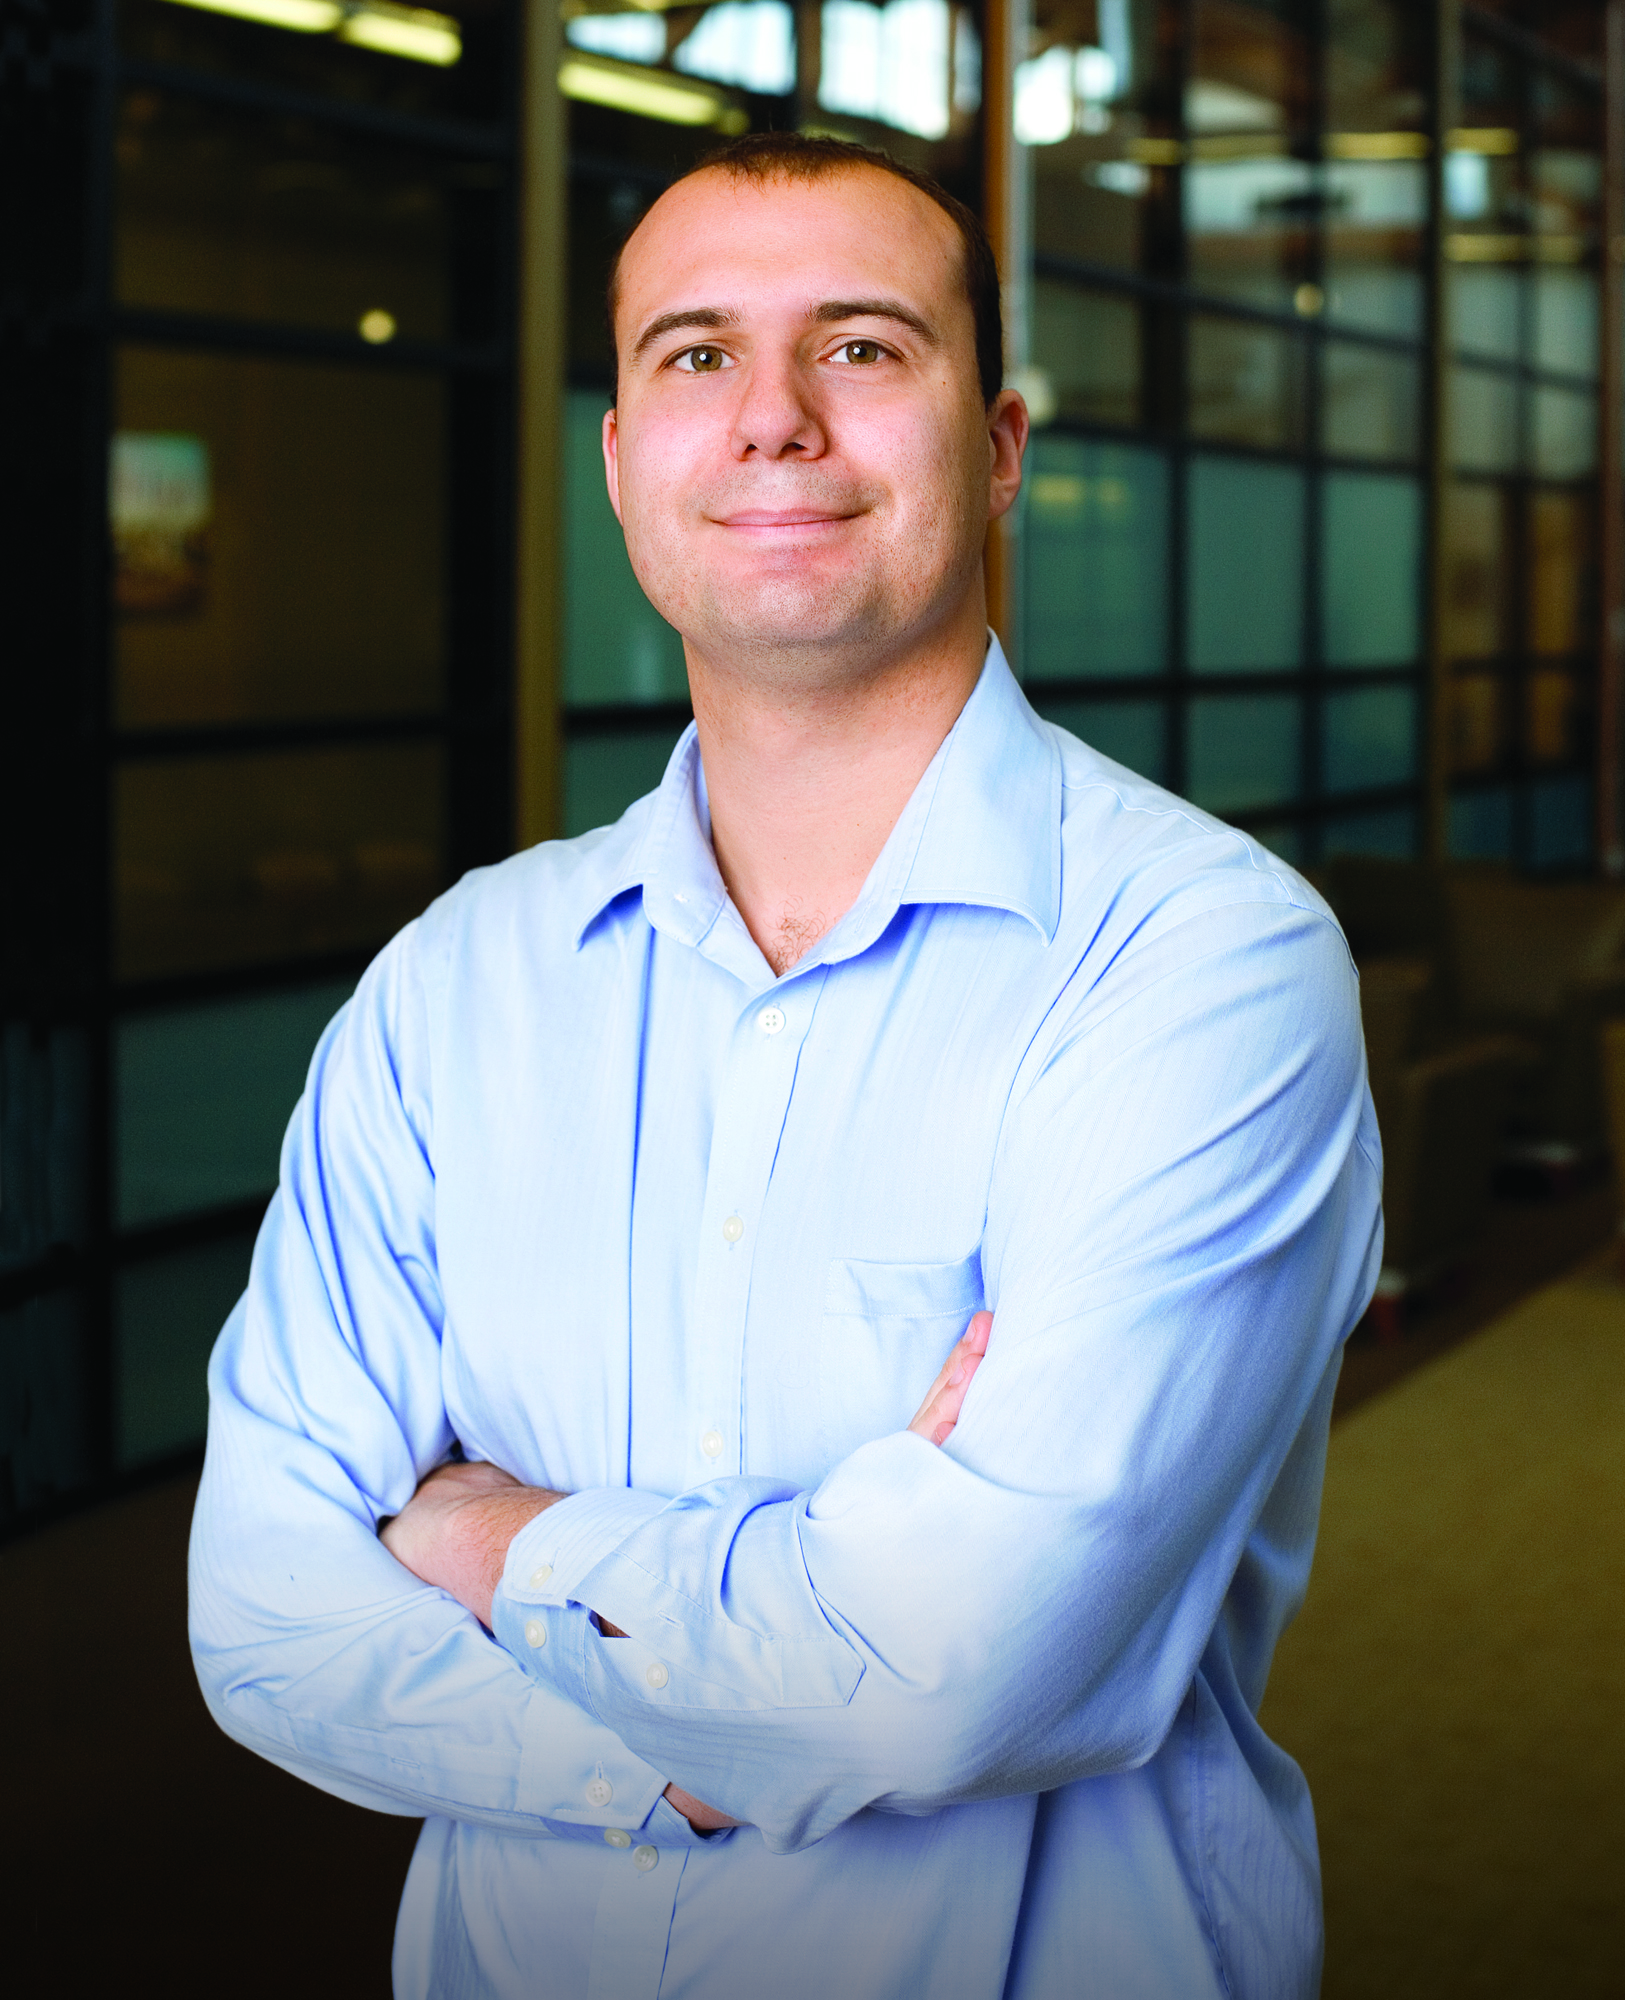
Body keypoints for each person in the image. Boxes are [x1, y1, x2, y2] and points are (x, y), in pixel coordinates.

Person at [190, 133, 1381, 2000]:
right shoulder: (456, 985)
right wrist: (731, 1730)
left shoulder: (1202, 963)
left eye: (861, 348)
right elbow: (263, 1617)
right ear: (617, 463)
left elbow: (954, 1677)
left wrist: (498, 1541)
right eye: (692, 356)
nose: (771, 421)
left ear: (994, 446)